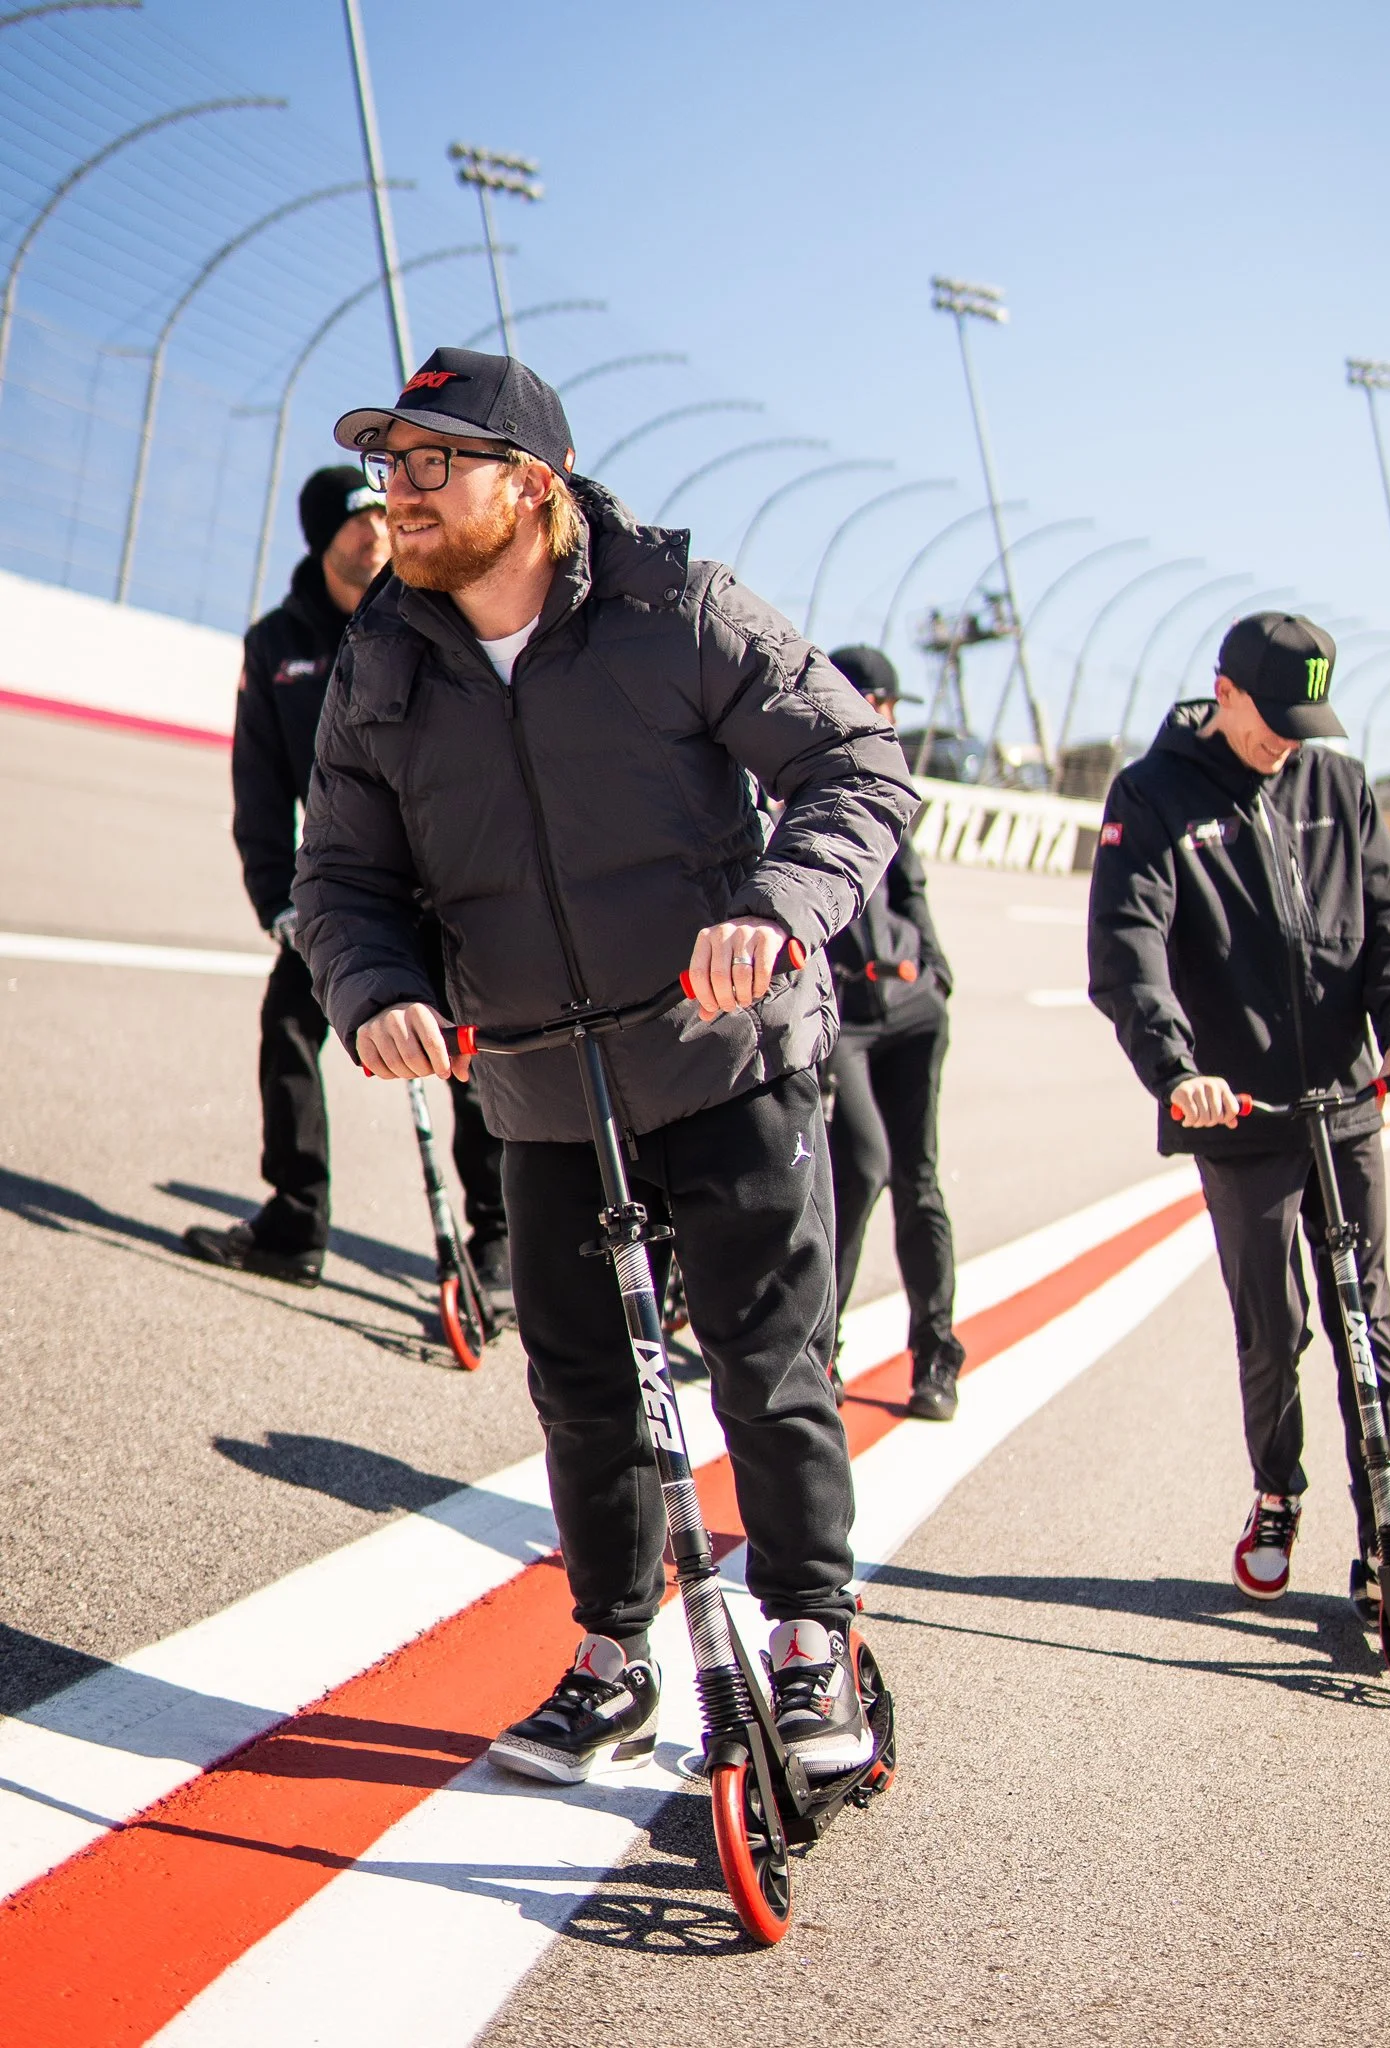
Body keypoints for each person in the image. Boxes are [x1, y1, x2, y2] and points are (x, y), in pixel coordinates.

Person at [292, 348, 916, 1784]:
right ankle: (614, 1656)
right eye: (390, 464)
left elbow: (854, 766)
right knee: (581, 1388)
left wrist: (776, 909)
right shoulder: (381, 662)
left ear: (532, 483)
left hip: (725, 1052)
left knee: (768, 1363)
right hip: (537, 1083)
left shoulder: (672, 607)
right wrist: (375, 991)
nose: (401, 494)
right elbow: (342, 879)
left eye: (434, 462)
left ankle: (814, 1639)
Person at [1088, 612, 1390, 1622]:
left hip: (1345, 1098)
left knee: (1364, 1315)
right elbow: (1128, 951)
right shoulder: (1152, 795)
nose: (1289, 743)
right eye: (1274, 721)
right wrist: (1177, 1072)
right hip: (1239, 1111)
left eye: (1307, 724)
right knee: (1276, 1323)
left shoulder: (1338, 786)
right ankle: (1277, 1491)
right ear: (1226, 692)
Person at [183, 465, 511, 1309]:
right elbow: (259, 786)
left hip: (444, 881)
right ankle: (294, 1224)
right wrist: (280, 903)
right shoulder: (277, 644)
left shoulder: (430, 609)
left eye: (382, 517)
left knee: (469, 1053)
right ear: (320, 538)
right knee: (288, 1025)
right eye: (356, 521)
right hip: (345, 890)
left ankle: (502, 1245)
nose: (377, 532)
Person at [821, 645, 964, 1422]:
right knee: (862, 1165)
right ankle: (823, 1348)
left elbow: (911, 890)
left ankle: (936, 1356)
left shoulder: (891, 779)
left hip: (912, 1008)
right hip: (844, 1016)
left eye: (892, 708)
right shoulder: (793, 775)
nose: (889, 719)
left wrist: (936, 972)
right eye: (881, 704)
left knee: (919, 1179)